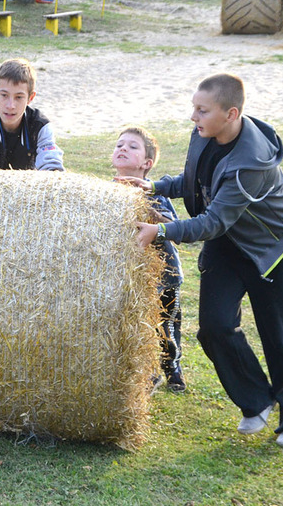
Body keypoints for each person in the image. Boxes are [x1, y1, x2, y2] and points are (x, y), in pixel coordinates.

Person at [118, 73, 283, 450]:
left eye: (202, 110)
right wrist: (155, 186)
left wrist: (162, 232)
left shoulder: (249, 163)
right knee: (214, 327)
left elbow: (213, 220)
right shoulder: (206, 133)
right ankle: (256, 400)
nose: (194, 116)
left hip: (272, 251)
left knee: (280, 337)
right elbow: (196, 179)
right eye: (194, 108)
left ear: (231, 113)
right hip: (228, 243)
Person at [112, 126, 185, 392]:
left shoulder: (156, 192)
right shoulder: (106, 192)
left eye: (132, 146)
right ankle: (148, 372)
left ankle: (173, 368)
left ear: (147, 163)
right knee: (137, 326)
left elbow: (173, 227)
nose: (123, 149)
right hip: (131, 276)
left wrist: (147, 209)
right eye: (119, 145)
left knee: (165, 327)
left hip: (164, 276)